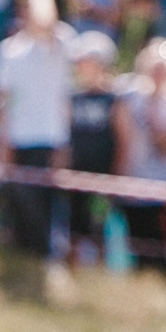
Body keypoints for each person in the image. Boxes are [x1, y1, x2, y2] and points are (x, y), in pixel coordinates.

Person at [0, 0, 73, 263]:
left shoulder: (59, 43)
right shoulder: (9, 51)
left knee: (49, 211)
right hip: (18, 140)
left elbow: (45, 21)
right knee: (21, 209)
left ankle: (48, 263)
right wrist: (2, 142)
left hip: (50, 140)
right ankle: (25, 264)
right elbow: (1, 104)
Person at [115, 39, 166, 266]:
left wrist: (159, 132)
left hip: (163, 188)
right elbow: (123, 143)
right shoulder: (129, 98)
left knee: (159, 253)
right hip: (132, 186)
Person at [65, 32, 119, 261]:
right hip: (76, 176)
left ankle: (100, 272)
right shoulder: (73, 97)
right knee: (74, 228)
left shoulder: (114, 100)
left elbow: (123, 140)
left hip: (102, 178)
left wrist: (117, 176)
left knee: (99, 227)